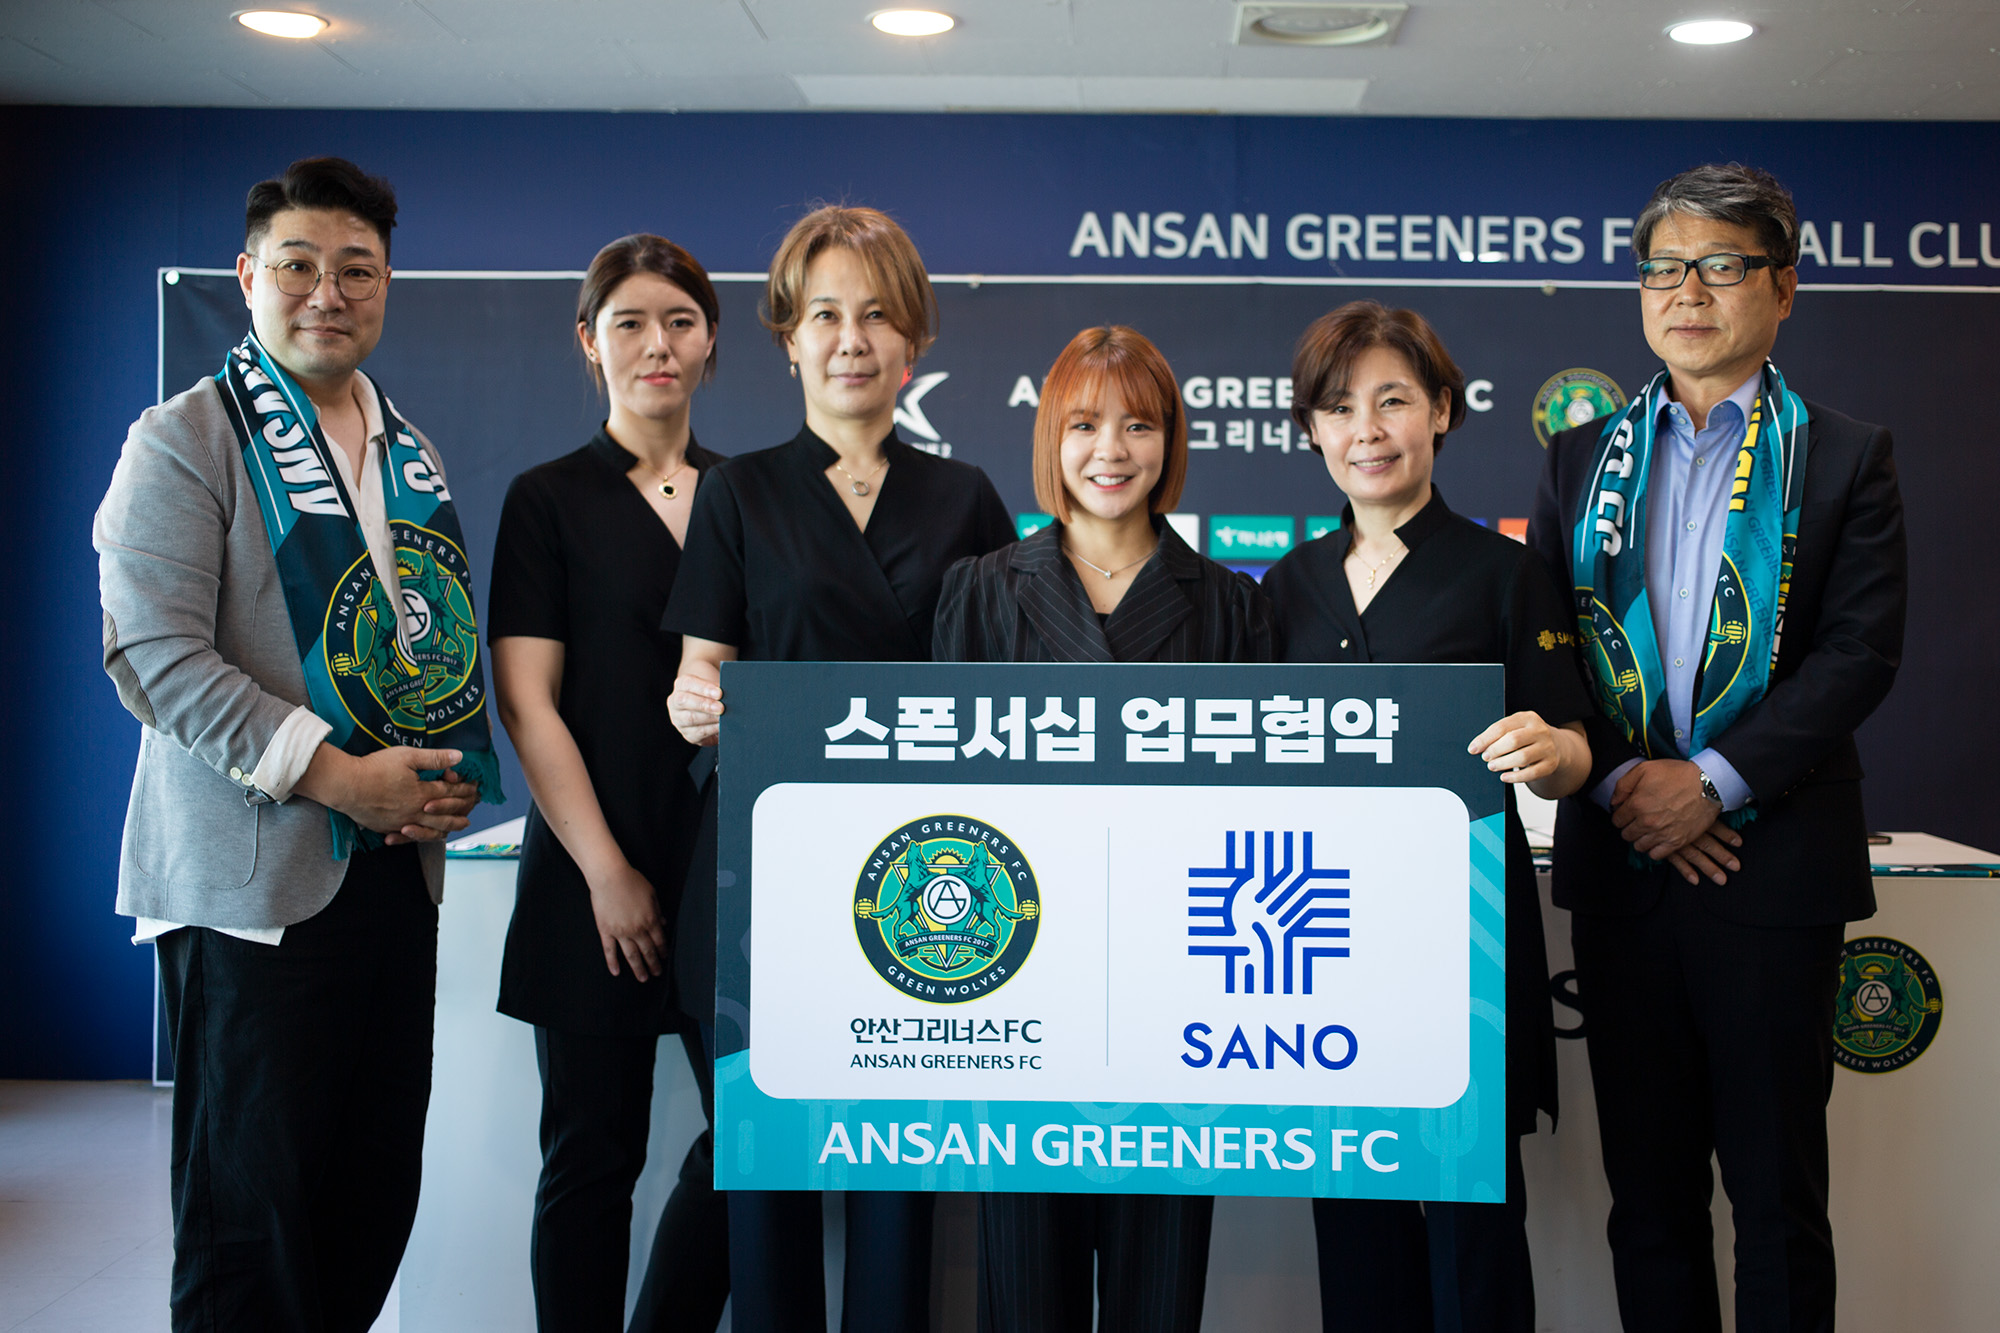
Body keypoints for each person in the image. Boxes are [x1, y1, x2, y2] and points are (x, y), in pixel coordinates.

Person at [94, 156, 502, 1332]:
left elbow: (417, 646)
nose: (329, 292)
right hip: (253, 889)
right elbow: (153, 657)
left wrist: (430, 780)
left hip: (390, 876)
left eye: (356, 269)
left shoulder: (405, 447)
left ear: (386, 285)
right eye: (299, 265)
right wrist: (338, 777)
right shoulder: (183, 438)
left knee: (366, 1200)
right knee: (250, 1226)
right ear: (247, 277)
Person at [1527, 163, 1906, 1333]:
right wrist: (1628, 786)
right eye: (1661, 269)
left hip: (1770, 871)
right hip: (1623, 869)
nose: (1684, 292)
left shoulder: (1842, 454)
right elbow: (1548, 655)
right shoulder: (1579, 458)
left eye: (1719, 265)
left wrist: (1710, 785)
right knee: (1646, 1203)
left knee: (1775, 1203)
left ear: (1781, 287)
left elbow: (1857, 652)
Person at [663, 205, 1016, 1333]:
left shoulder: (965, 497)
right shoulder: (738, 492)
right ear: (787, 338)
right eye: (824, 314)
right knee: (763, 1157)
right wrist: (691, 703)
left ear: (913, 341)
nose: (850, 338)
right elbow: (701, 675)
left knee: (896, 1159)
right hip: (759, 874)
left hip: (927, 874)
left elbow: (1007, 690)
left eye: (875, 315)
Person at [932, 324, 1275, 1332]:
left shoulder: (1230, 605)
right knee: (1022, 1297)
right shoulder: (979, 590)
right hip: (1018, 994)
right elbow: (938, 805)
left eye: (1138, 425)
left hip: (1179, 1003)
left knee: (1154, 1299)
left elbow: (1260, 817)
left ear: (1170, 441)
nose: (1110, 450)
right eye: (1084, 424)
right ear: (1051, 436)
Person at [1261, 300, 1593, 1333]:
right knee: (1353, 1233)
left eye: (1392, 401)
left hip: (1463, 954)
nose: (1365, 430)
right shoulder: (1284, 586)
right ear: (1311, 429)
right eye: (1338, 407)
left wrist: (1555, 753)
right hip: (1316, 952)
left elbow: (1576, 744)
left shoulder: (1506, 573)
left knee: (1471, 1238)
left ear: (1441, 410)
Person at [488, 234, 730, 1332]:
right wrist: (606, 873)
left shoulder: (750, 496)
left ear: (711, 341)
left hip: (726, 874)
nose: (656, 344)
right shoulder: (548, 499)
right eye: (628, 322)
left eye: (679, 320)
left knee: (753, 1144)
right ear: (589, 342)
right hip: (591, 872)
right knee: (591, 1160)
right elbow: (527, 703)